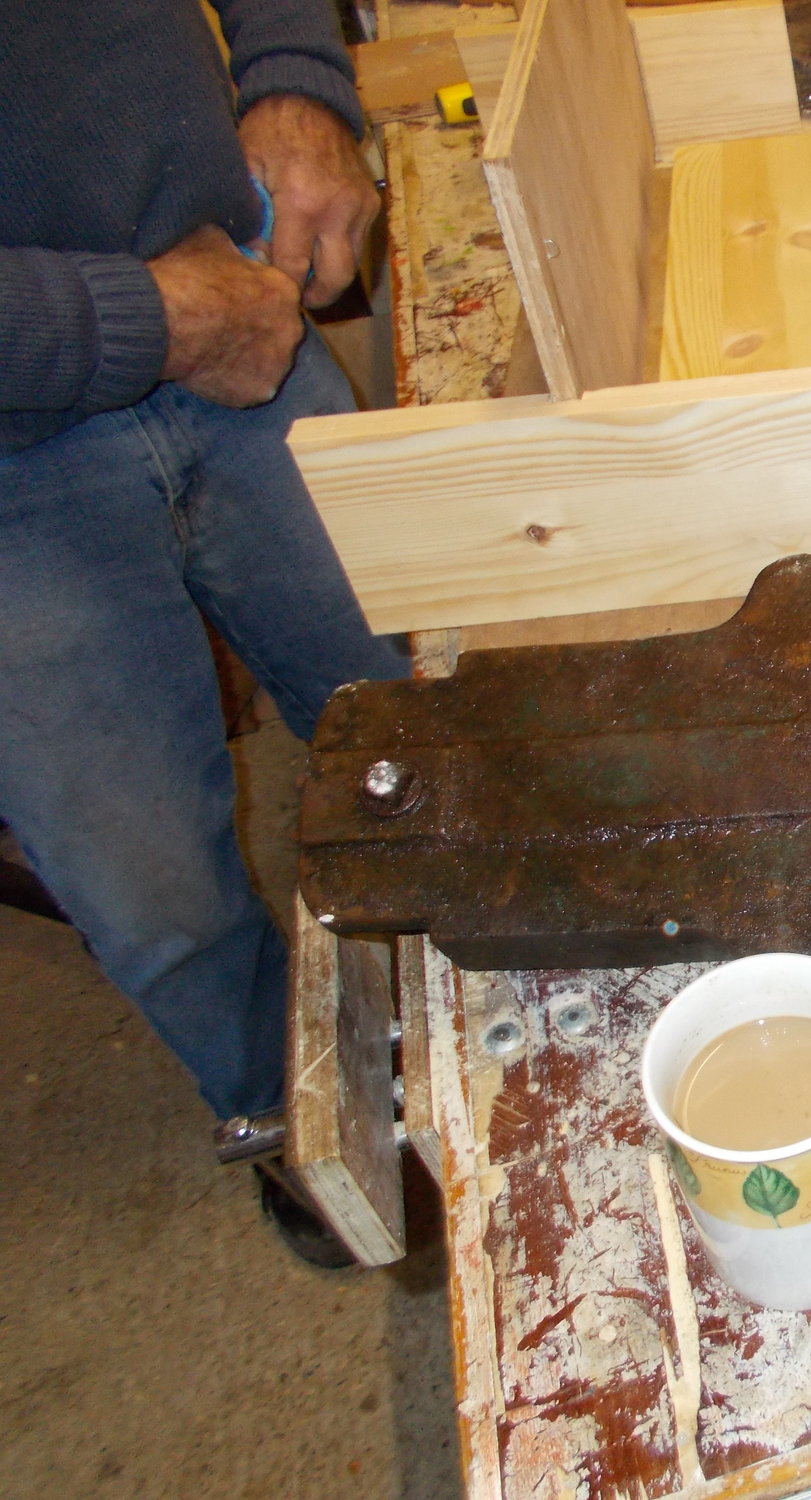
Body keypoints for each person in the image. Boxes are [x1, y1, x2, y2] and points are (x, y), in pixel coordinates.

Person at [0, 1, 407, 1152]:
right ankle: (307, 1131)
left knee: (422, 716)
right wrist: (137, 320)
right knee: (162, 902)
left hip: (236, 299)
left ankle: (481, 1023)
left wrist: (295, 81)